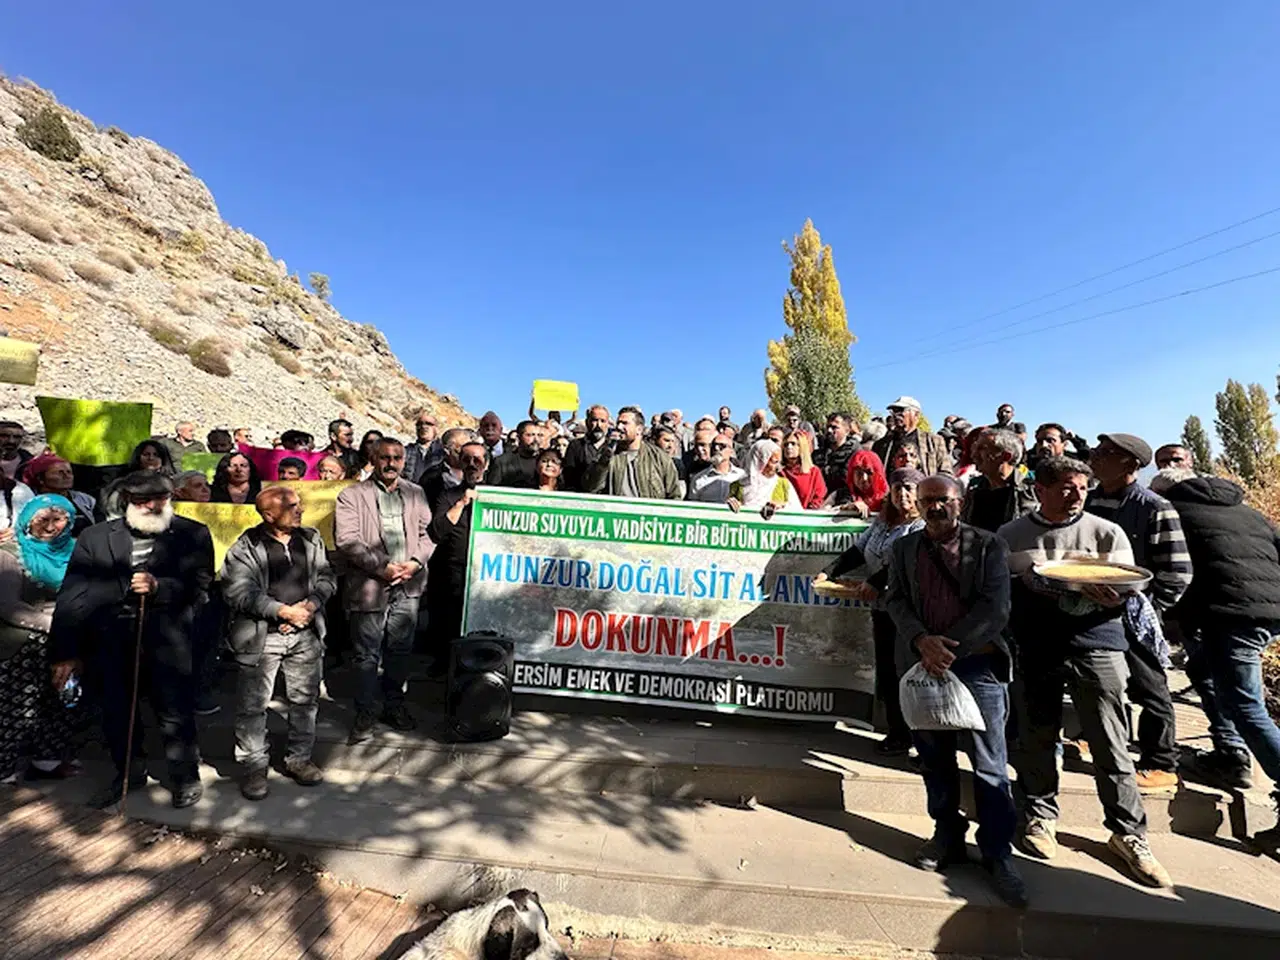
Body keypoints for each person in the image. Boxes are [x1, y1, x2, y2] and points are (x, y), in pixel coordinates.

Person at [998, 456, 1171, 888]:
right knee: (1037, 733)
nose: (1076, 495)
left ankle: (1128, 832)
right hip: (1036, 645)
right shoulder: (1011, 535)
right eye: (1065, 487)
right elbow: (997, 590)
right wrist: (1028, 584)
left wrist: (1115, 594)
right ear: (1040, 490)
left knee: (1109, 737)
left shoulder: (1106, 532)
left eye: (1081, 487)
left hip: (1098, 642)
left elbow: (1127, 587)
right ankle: (1039, 815)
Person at [879, 475, 1025, 906]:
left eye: (942, 499)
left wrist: (948, 648)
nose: (935, 507)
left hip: (977, 665)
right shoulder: (904, 547)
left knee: (989, 763)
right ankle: (946, 835)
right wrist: (921, 641)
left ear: (960, 502)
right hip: (924, 665)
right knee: (934, 758)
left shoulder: (989, 546)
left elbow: (996, 607)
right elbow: (895, 600)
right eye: (927, 501)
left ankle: (998, 851)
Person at [50, 471, 215, 810]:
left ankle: (184, 777)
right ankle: (128, 772)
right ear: (127, 501)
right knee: (116, 711)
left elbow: (201, 586)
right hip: (110, 640)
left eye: (160, 499)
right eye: (142, 501)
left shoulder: (193, 533)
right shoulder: (96, 536)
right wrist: (65, 651)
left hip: (168, 639)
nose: (152, 506)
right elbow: (72, 596)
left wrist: (160, 587)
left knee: (174, 712)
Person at [1152, 468, 1280, 848]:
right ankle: (1230, 754)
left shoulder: (1173, 511)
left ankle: (1242, 756)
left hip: (1232, 615)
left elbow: (1171, 567)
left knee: (1246, 706)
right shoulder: (1248, 512)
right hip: (1267, 610)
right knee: (1204, 669)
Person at [1086, 433, 1190, 792]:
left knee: (1149, 686)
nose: (1095, 457)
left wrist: (1150, 609)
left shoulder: (1154, 507)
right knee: (1098, 681)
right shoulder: (1089, 501)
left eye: (1106, 453)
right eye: (1097, 450)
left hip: (1134, 612)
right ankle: (1092, 737)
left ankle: (1161, 762)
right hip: (1090, 609)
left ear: (1130, 464)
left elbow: (1177, 571)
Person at [222, 487, 336, 801]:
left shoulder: (311, 539)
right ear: (269, 515)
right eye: (292, 506)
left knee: (305, 701)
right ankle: (254, 767)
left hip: (306, 633)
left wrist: (309, 606)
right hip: (261, 638)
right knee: (253, 706)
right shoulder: (246, 547)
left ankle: (299, 759)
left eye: (299, 504)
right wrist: (282, 611)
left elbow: (327, 577)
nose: (300, 510)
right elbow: (237, 592)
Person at [815, 468, 925, 756]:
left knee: (907, 672)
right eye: (897, 488)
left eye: (909, 489)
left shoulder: (920, 526)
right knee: (887, 672)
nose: (903, 494)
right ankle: (898, 733)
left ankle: (919, 739)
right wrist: (829, 572)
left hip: (909, 612)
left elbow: (903, 562)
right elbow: (858, 550)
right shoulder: (882, 522)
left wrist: (875, 581)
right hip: (881, 609)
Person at [335, 437, 435, 742]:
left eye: (397, 458)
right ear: (374, 459)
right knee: (366, 654)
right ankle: (366, 712)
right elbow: (347, 540)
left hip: (408, 584)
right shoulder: (352, 495)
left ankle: (394, 704)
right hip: (370, 585)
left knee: (400, 650)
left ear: (404, 461)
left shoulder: (416, 492)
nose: (391, 463)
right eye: (385, 457)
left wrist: (415, 563)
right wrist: (383, 568)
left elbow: (427, 535)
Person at [0, 495, 81, 784]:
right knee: (16, 708)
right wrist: (55, 624)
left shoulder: (77, 551)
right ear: (27, 521)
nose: (50, 527)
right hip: (21, 642)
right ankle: (4, 768)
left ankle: (48, 761)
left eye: (58, 520)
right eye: (42, 520)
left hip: (68, 640)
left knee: (62, 701)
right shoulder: (10, 553)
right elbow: (8, 605)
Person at [426, 441, 488, 668]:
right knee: (450, 620)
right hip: (455, 568)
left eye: (477, 459)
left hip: (488, 571)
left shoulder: (499, 495)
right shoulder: (447, 496)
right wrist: (461, 503)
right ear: (460, 463)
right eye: (467, 459)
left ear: (486, 464)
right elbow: (437, 530)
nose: (472, 464)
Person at [585, 407, 681, 500]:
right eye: (618, 423)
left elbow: (674, 495)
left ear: (639, 429)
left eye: (625, 423)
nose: (619, 427)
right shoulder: (608, 454)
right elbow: (591, 487)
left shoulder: (659, 457)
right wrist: (603, 461)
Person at [961, 430, 1038, 533]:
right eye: (975, 448)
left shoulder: (1031, 488)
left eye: (982, 449)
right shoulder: (975, 487)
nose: (973, 455)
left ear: (1006, 456)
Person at [874, 397, 952, 477]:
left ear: (916, 415)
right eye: (894, 411)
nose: (896, 415)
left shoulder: (934, 441)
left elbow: (946, 473)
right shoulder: (881, 445)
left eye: (900, 410)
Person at [22, 454, 96, 533]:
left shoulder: (85, 499)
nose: (66, 476)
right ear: (40, 479)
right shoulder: (29, 501)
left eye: (69, 472)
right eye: (60, 472)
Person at [728, 440, 800, 518]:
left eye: (779, 462)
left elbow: (798, 514)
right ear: (760, 462)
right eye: (774, 462)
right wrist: (732, 505)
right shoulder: (737, 486)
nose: (778, 468)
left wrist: (782, 507)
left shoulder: (784, 485)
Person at [421, 427, 474, 512]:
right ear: (447, 451)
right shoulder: (432, 477)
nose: (468, 455)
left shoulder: (477, 472)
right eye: (461, 450)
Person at [563, 405, 611, 493]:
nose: (598, 425)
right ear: (587, 422)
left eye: (603, 421)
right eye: (594, 420)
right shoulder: (575, 446)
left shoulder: (614, 447)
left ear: (608, 424)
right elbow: (568, 477)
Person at [686, 434, 745, 503]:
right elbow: (693, 506)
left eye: (721, 446)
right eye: (713, 446)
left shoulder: (742, 476)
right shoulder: (698, 479)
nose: (716, 449)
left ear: (731, 450)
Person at [817, 413, 860, 504]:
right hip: (820, 501)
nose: (829, 430)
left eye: (834, 427)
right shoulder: (818, 454)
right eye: (828, 427)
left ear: (847, 430)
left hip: (844, 502)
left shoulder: (856, 453)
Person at [486, 420, 542, 488]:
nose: (536, 439)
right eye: (530, 435)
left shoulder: (545, 461)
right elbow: (492, 489)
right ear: (518, 437)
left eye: (539, 435)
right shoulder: (502, 462)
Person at [780, 430, 827, 510]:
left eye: (793, 444)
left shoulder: (814, 472)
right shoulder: (780, 473)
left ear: (802, 446)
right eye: (786, 444)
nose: (789, 447)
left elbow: (819, 497)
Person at [841, 450, 889, 519]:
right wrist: (849, 507)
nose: (864, 478)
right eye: (859, 473)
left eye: (869, 473)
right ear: (852, 475)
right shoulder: (840, 495)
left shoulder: (890, 498)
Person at [403, 411, 444, 486]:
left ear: (436, 428)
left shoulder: (444, 452)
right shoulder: (406, 451)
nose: (423, 426)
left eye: (429, 423)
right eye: (419, 424)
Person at [651, 426, 688, 497]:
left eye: (673, 441)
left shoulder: (678, 465)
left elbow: (681, 492)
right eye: (667, 441)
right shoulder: (647, 462)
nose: (670, 446)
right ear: (655, 440)